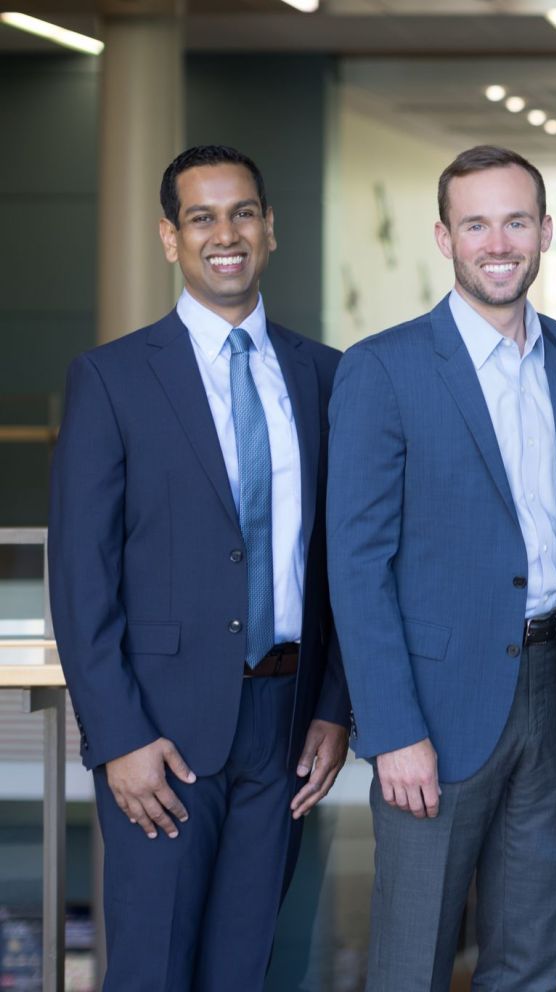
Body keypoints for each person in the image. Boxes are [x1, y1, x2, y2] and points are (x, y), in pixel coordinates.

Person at [48, 145, 350, 991]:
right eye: (202, 217)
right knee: (151, 971)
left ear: (270, 229)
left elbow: (338, 562)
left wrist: (334, 708)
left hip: (285, 727)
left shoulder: (326, 376)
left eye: (243, 212)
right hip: (160, 736)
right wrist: (117, 738)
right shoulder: (111, 379)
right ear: (168, 237)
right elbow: (81, 577)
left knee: (241, 970)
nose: (227, 233)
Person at [327, 145, 556, 992]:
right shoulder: (383, 368)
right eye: (476, 224)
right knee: (412, 956)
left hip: (555, 691)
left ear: (545, 232)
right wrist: (389, 729)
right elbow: (356, 563)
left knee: (528, 954)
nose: (499, 242)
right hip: (434, 709)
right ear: (444, 237)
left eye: (516, 221)